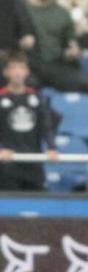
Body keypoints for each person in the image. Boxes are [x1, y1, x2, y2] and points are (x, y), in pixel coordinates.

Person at [22, 0, 88, 92]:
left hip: (56, 66)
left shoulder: (62, 13)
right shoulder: (22, 10)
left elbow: (70, 44)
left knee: (82, 81)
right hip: (28, 67)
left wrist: (72, 51)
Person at [0, 50, 57, 191]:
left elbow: (46, 126)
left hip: (34, 163)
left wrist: (51, 148)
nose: (18, 73)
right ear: (6, 72)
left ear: (27, 71)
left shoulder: (38, 98)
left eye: (22, 68)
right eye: (13, 68)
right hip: (8, 165)